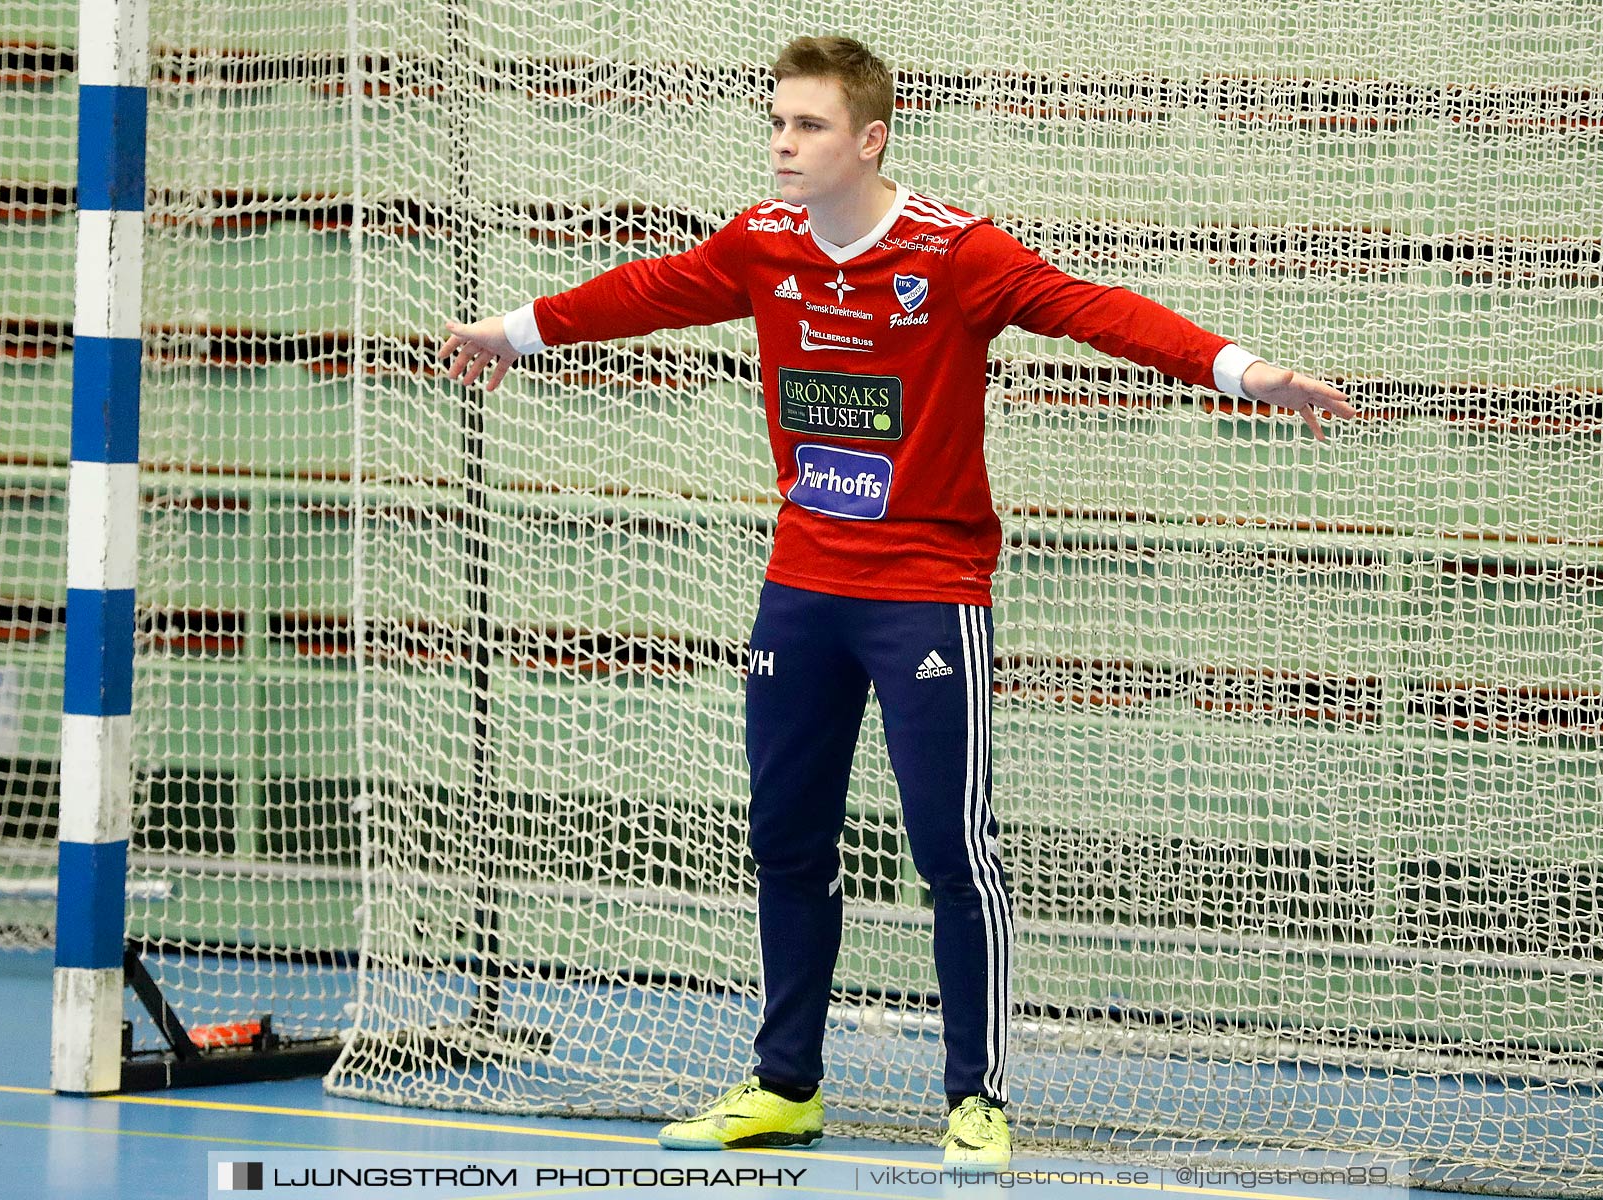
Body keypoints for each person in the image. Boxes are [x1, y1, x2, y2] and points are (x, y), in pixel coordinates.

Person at [440, 35, 1356, 1168]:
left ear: (870, 139)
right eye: (777, 122)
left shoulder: (953, 253)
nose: (783, 143)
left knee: (948, 848)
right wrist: (513, 332)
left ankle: (976, 1097)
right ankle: (785, 1086)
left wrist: (1242, 369)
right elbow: (649, 291)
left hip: (926, 593)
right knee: (785, 837)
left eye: (809, 126)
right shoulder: (761, 243)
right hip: (802, 589)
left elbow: (1092, 310)